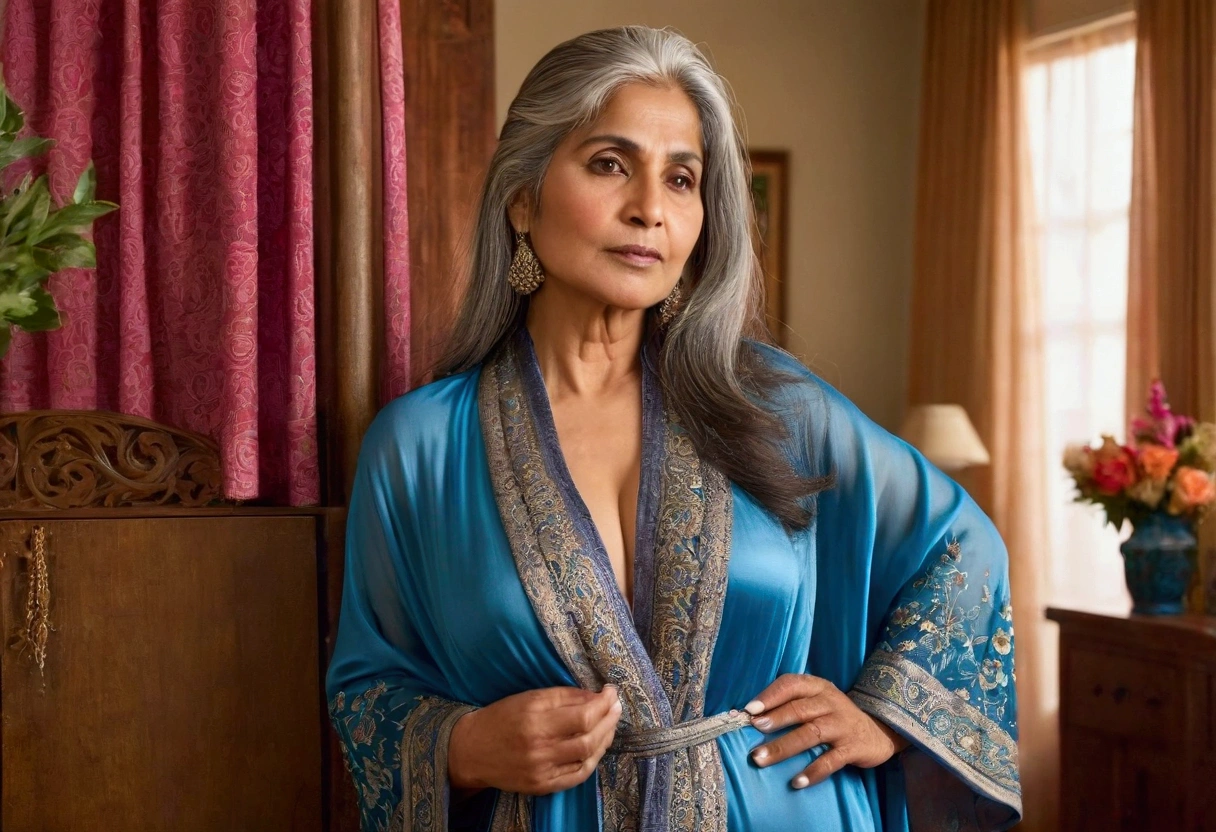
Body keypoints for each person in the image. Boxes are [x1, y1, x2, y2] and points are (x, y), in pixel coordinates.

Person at [326, 25, 1020, 832]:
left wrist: (884, 715)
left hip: (786, 809)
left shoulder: (775, 406)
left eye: (681, 178)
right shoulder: (418, 449)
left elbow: (965, 549)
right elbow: (368, 690)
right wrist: (465, 746)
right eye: (610, 164)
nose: (650, 208)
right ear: (523, 197)